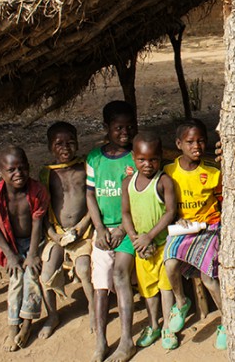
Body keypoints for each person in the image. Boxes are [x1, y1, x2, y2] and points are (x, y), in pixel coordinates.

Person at [0, 145, 49, 352]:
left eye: (22, 168)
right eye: (12, 170)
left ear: (29, 167)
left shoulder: (37, 191)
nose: (18, 174)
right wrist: (10, 255)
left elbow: (37, 223)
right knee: (16, 279)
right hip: (11, 245)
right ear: (0, 173)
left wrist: (34, 254)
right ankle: (12, 326)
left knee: (31, 277)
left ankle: (26, 325)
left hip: (35, 241)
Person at [163, 118, 226, 349]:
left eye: (201, 141)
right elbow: (165, 203)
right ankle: (181, 302)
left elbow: (222, 202)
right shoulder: (169, 171)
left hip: (209, 229)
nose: (196, 146)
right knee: (169, 264)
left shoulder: (212, 172)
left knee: (209, 279)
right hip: (182, 229)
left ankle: (226, 321)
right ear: (179, 143)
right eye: (190, 142)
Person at [85, 101, 138, 362]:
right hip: (103, 231)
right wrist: (100, 228)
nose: (125, 132)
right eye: (119, 127)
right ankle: (101, 340)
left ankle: (127, 340)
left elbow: (140, 198)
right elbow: (91, 196)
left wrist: (121, 229)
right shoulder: (94, 158)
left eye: (130, 126)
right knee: (100, 283)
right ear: (106, 128)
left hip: (130, 229)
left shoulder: (136, 156)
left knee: (119, 273)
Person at [121, 133, 178, 350]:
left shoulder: (163, 181)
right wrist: (135, 237)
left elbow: (170, 212)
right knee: (148, 290)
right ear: (134, 158)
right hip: (141, 247)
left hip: (163, 244)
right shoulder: (128, 183)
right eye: (142, 159)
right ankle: (153, 325)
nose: (147, 164)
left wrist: (150, 236)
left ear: (161, 157)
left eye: (153, 159)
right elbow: (125, 213)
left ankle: (168, 328)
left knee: (165, 288)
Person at [37, 121, 94, 338]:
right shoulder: (47, 174)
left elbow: (93, 201)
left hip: (83, 233)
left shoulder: (85, 168)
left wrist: (83, 225)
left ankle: (93, 310)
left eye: (70, 142)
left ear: (78, 143)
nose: (65, 148)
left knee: (84, 270)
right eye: (59, 144)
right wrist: (53, 235)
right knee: (46, 274)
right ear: (50, 146)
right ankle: (52, 315)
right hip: (57, 235)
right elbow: (42, 209)